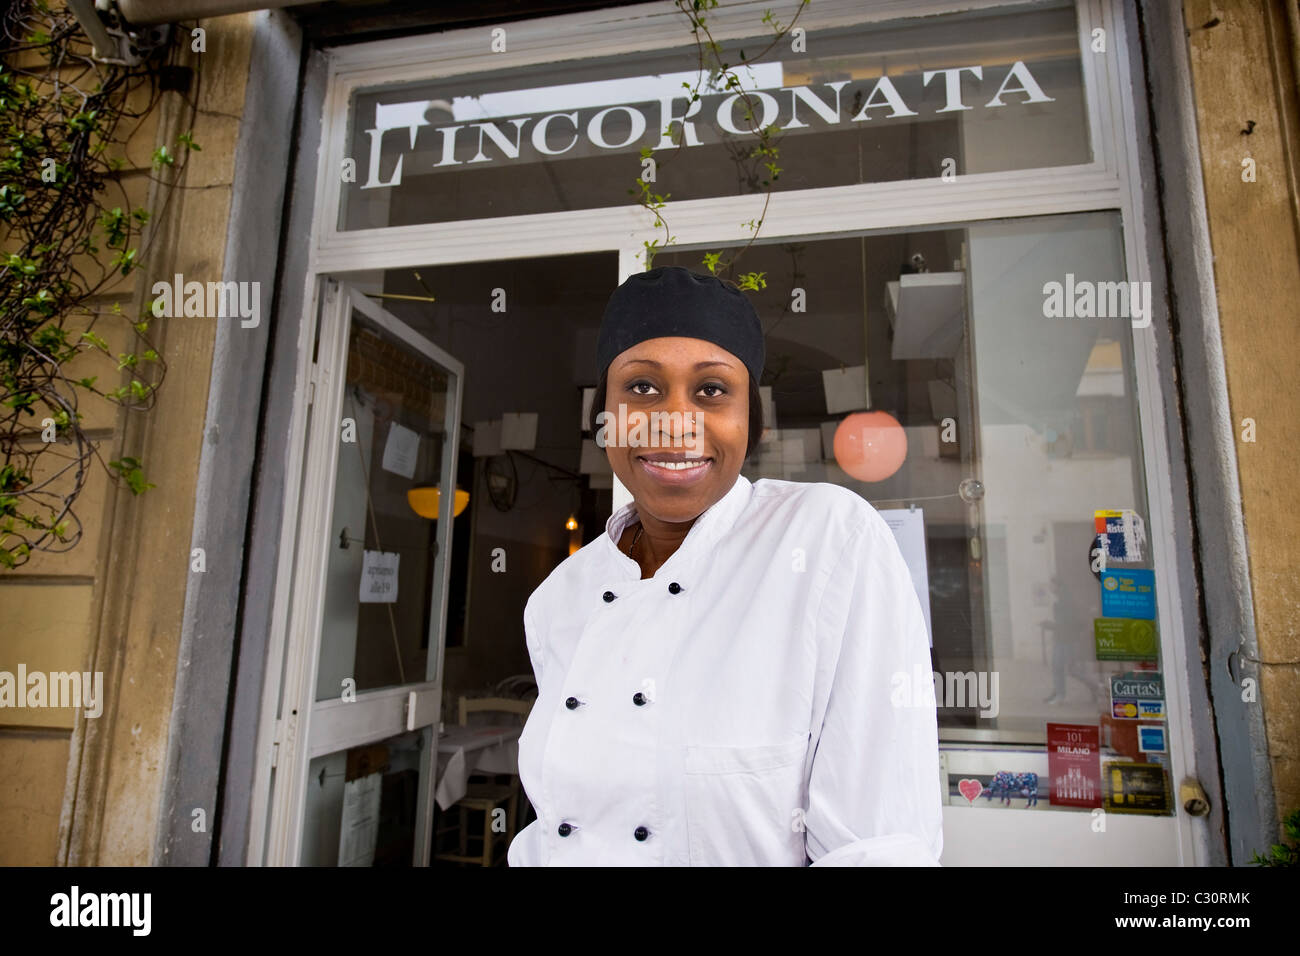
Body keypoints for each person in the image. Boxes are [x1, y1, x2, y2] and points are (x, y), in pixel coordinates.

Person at [507, 266, 942, 866]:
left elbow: (880, 847)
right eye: (641, 388)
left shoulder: (829, 540)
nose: (676, 421)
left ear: (750, 421)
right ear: (603, 418)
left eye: (711, 391)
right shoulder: (561, 598)